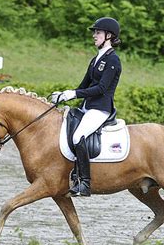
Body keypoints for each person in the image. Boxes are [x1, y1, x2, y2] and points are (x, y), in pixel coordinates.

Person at [51, 17, 122, 197]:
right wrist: (64, 93)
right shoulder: (95, 59)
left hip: (100, 109)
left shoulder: (113, 60)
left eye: (97, 32)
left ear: (109, 35)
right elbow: (84, 86)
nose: (94, 35)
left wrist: (74, 95)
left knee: (78, 136)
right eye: (95, 32)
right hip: (87, 107)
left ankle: (84, 183)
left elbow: (101, 88)